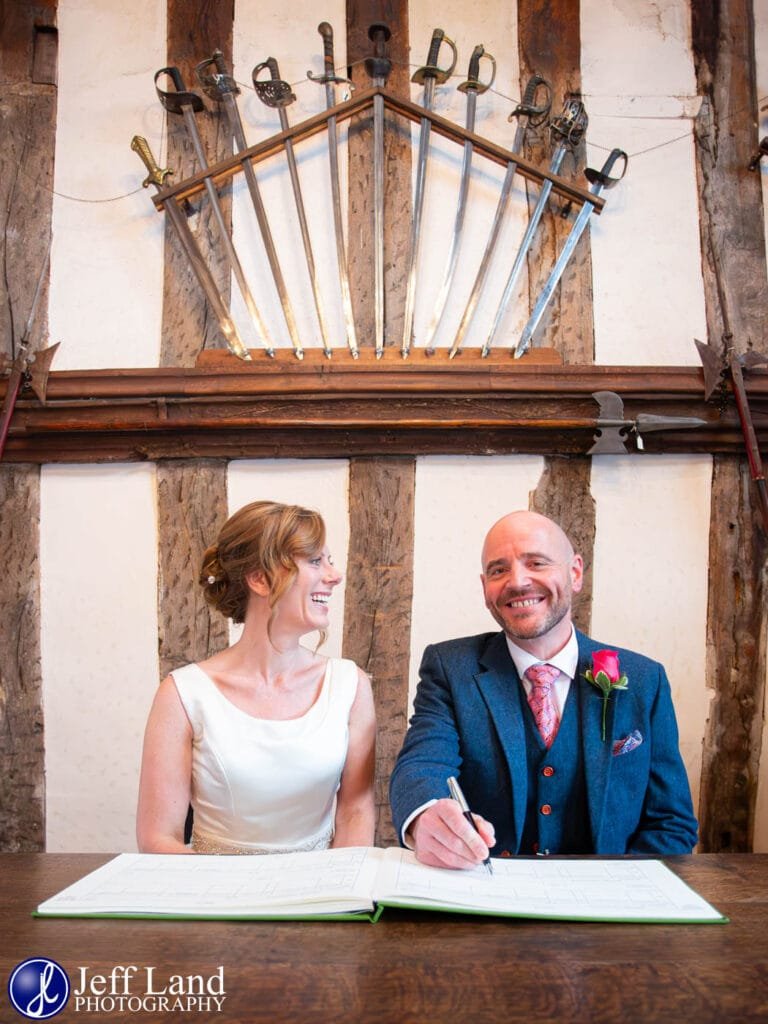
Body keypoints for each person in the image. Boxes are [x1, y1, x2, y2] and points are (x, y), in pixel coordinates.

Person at [390, 510, 698, 868]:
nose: (517, 581)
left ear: (575, 573)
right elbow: (422, 763)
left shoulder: (645, 680)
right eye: (498, 570)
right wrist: (426, 815)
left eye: (536, 563)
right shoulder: (450, 667)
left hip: (606, 908)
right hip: (483, 900)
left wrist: (615, 896)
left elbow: (671, 823)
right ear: (484, 586)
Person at [137, 500, 376, 854]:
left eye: (330, 560)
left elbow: (355, 813)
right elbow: (158, 839)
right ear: (260, 579)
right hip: (218, 897)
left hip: (320, 896)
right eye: (314, 561)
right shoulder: (183, 695)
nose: (334, 575)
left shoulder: (350, 686)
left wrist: (338, 895)